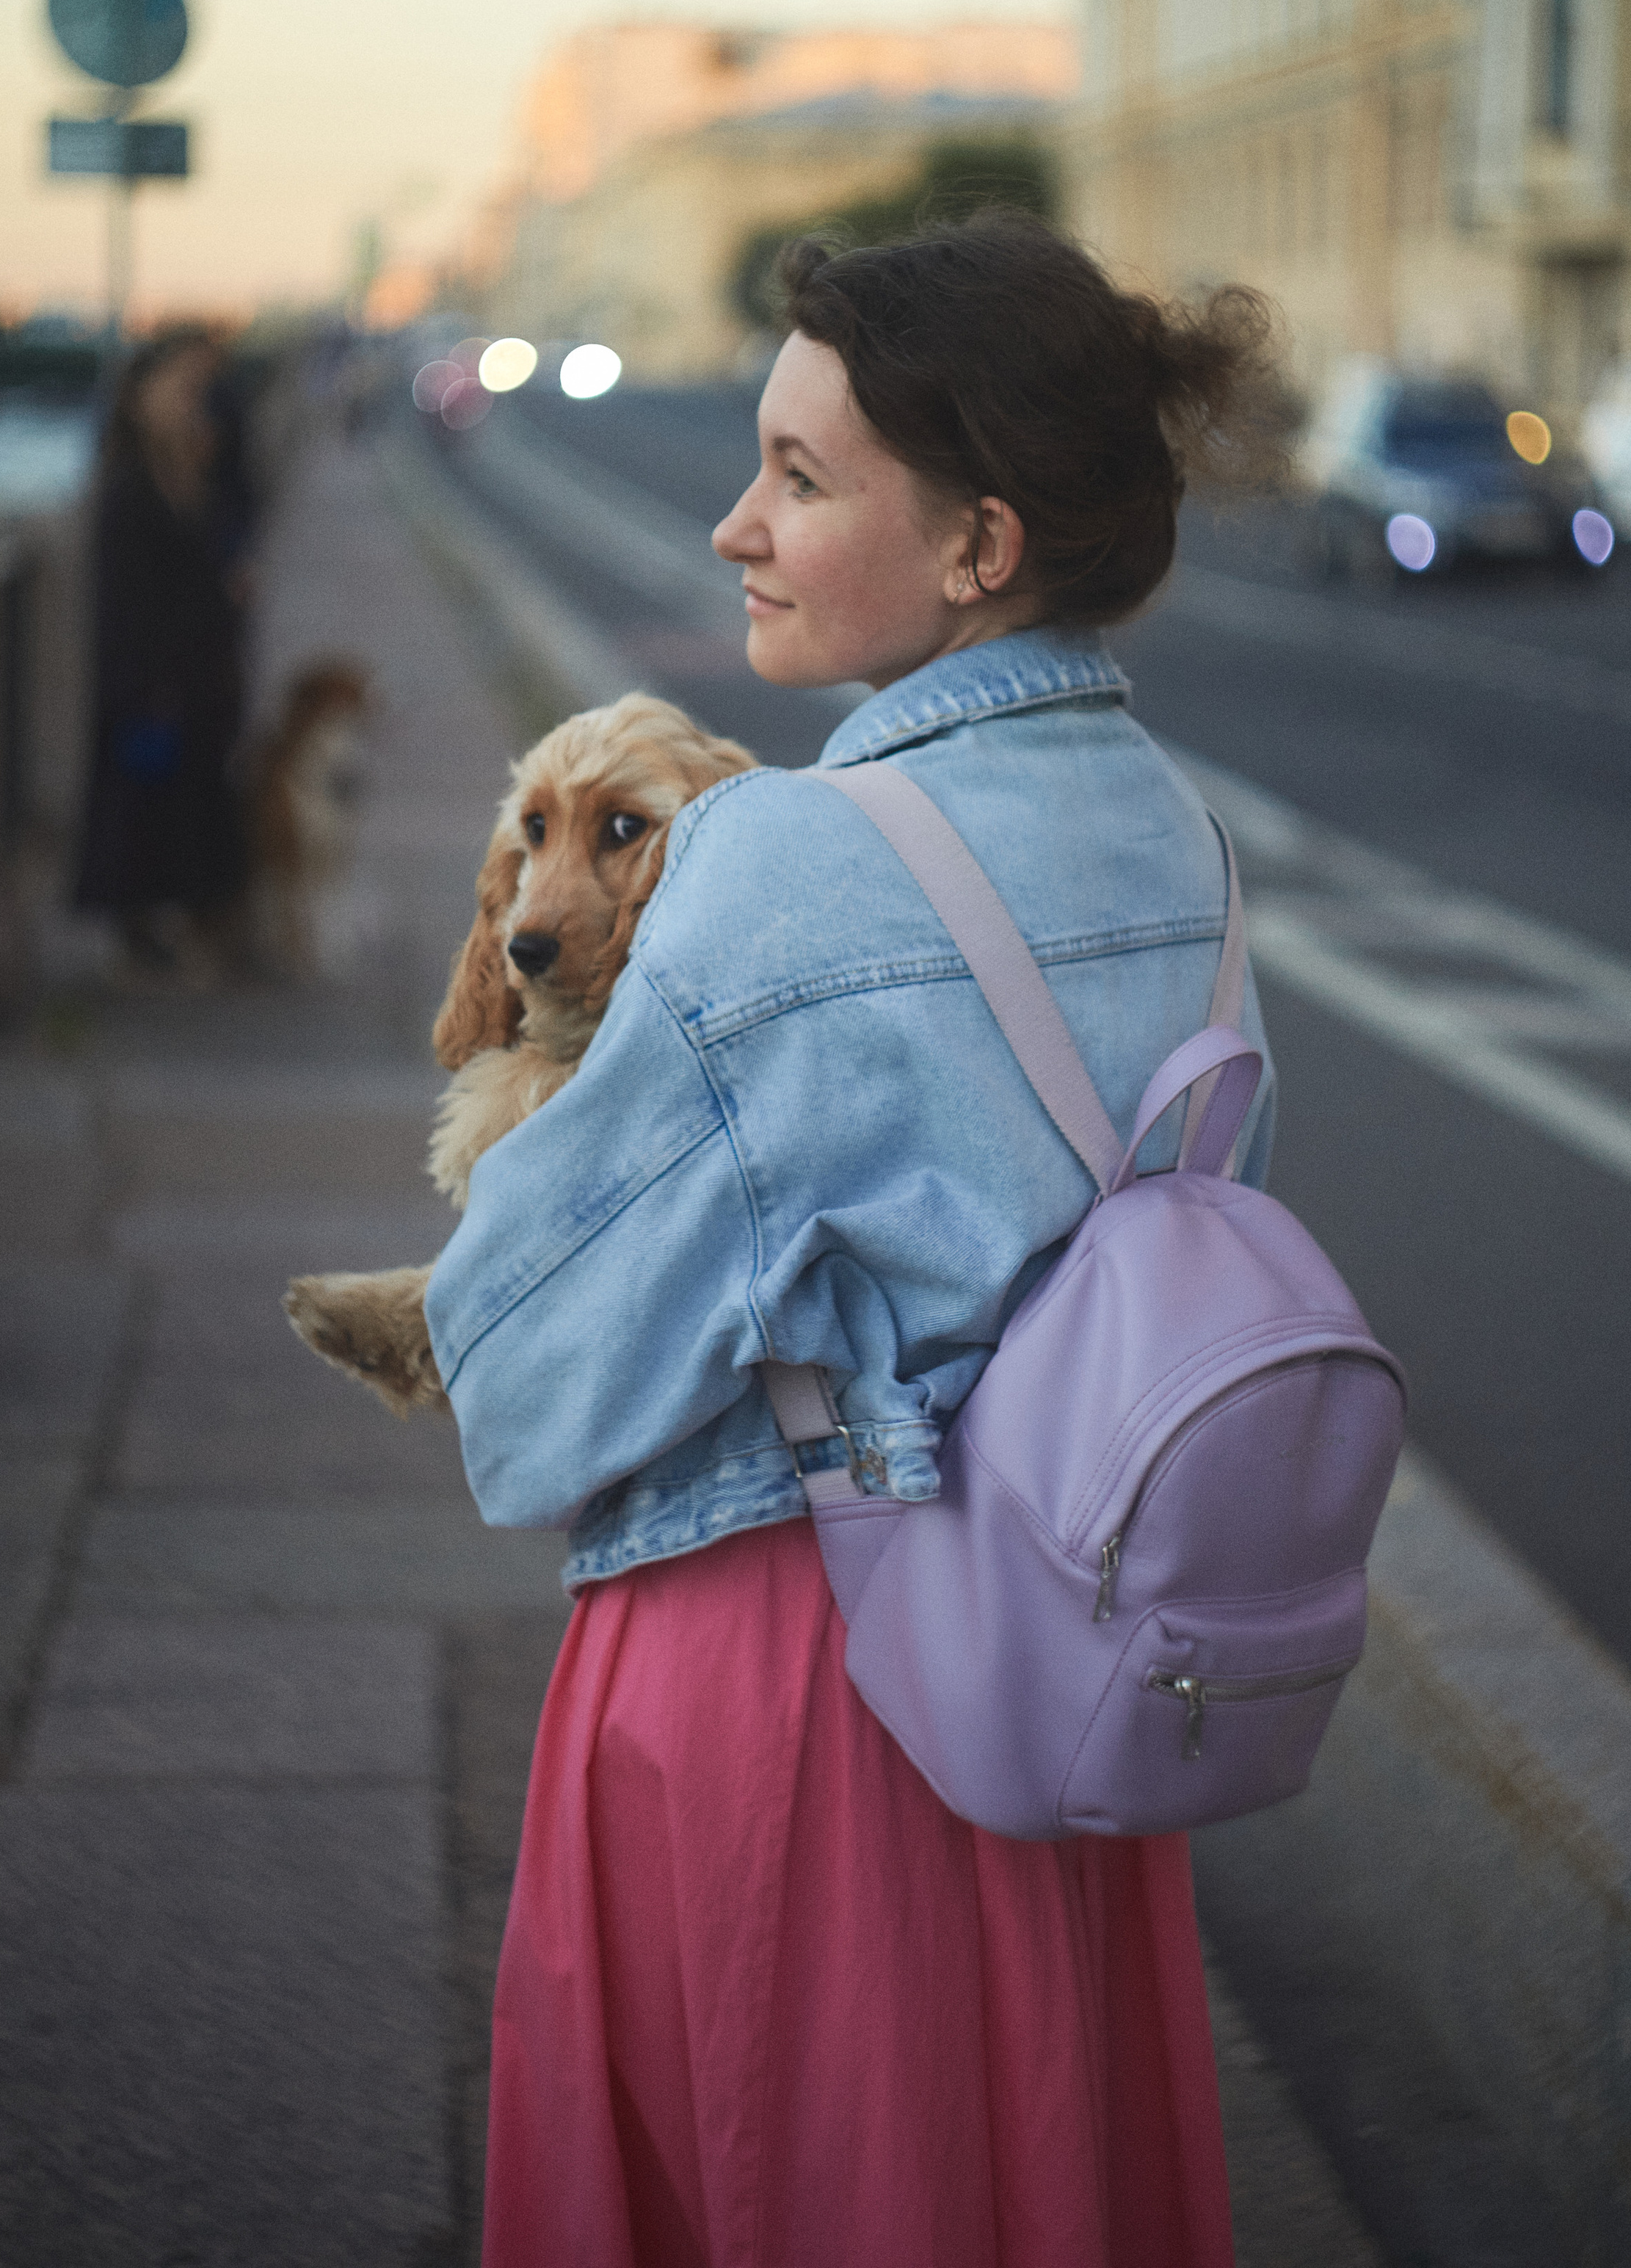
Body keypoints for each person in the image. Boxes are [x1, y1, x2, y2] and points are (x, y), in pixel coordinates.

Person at [426, 212, 1285, 2267]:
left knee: (772, 2170)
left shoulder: (782, 864)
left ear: (981, 545)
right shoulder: (1179, 832)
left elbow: (526, 1390)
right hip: (1059, 1689)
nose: (737, 525)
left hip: (786, 1701)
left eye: (803, 483)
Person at [73, 325, 252, 974]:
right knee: (144, 809)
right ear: (141, 398)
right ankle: (145, 929)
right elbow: (126, 596)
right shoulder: (128, 486)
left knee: (190, 806)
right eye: (178, 391)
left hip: (199, 672)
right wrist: (147, 679)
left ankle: (186, 926)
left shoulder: (193, 474)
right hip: (153, 679)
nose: (190, 404)